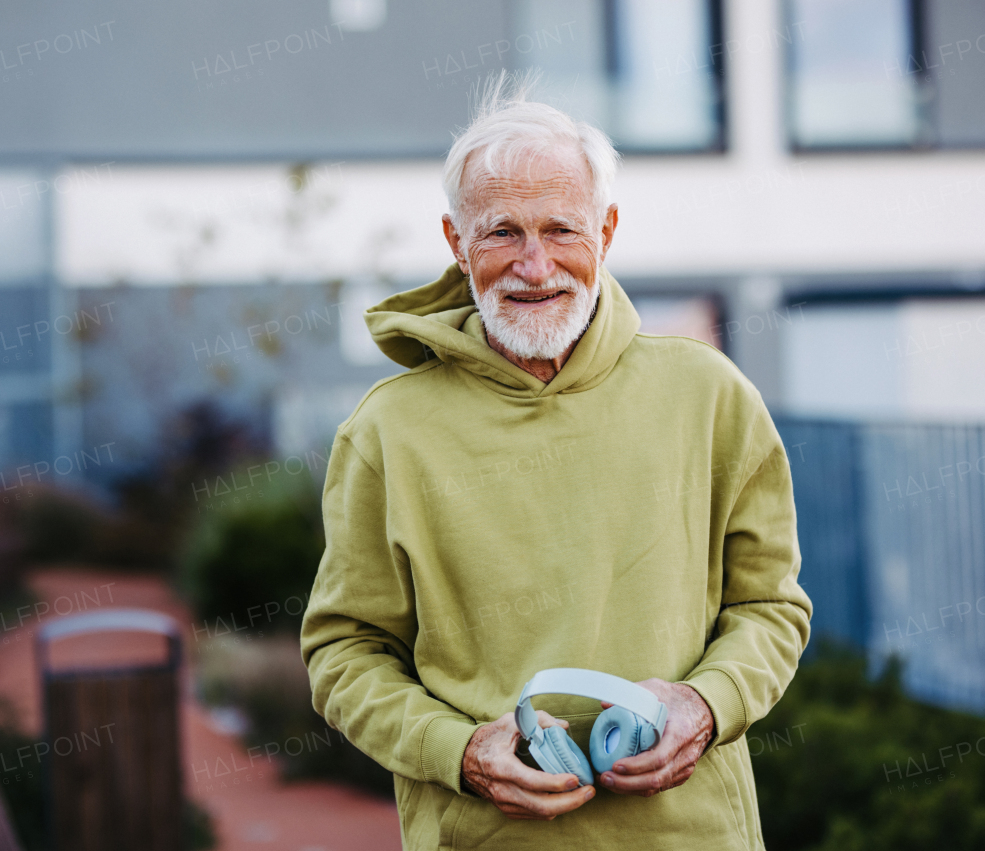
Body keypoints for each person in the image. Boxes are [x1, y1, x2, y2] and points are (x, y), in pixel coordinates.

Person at [299, 74, 811, 850]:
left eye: (562, 230)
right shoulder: (385, 432)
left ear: (606, 231)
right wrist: (460, 751)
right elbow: (344, 654)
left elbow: (771, 607)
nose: (535, 266)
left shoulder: (710, 395)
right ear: (455, 242)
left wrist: (708, 702)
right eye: (502, 231)